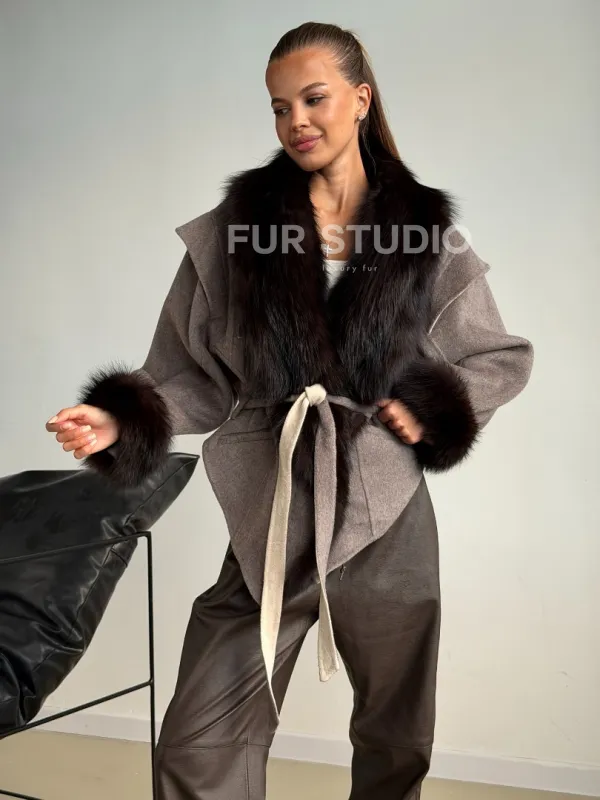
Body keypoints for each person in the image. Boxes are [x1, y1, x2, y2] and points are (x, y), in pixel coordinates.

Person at [45, 21, 534, 800]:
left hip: (386, 509)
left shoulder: (425, 235)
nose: (295, 120)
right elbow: (192, 376)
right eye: (279, 107)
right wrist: (121, 418)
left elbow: (497, 357)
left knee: (397, 730)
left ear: (361, 100)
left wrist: (430, 408)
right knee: (201, 737)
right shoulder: (230, 237)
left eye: (313, 99)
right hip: (272, 512)